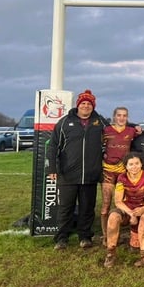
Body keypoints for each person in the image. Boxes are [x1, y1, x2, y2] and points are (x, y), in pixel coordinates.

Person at [47, 89, 107, 250]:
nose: (86, 106)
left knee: (87, 208)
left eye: (89, 104)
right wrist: (52, 167)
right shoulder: (65, 122)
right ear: (78, 105)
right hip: (67, 174)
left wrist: (134, 127)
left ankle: (85, 237)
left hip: (90, 174)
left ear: (93, 106)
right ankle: (61, 238)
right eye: (83, 103)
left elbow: (115, 130)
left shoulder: (99, 122)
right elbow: (53, 146)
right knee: (65, 208)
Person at [103, 152, 144, 268]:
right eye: (131, 164)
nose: (134, 166)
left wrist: (142, 210)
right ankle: (110, 253)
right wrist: (131, 213)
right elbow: (118, 201)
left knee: (135, 245)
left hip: (143, 210)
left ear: (141, 164)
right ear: (126, 166)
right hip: (127, 210)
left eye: (137, 163)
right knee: (113, 217)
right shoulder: (122, 178)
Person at [100, 107, 139, 245]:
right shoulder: (106, 131)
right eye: (119, 115)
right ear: (114, 117)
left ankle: (132, 233)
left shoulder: (132, 131)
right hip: (108, 171)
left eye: (124, 115)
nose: (121, 118)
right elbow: (96, 146)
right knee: (105, 206)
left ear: (127, 117)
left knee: (127, 203)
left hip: (124, 172)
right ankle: (106, 237)